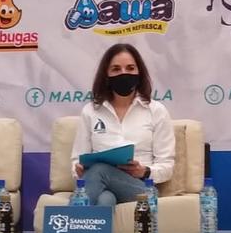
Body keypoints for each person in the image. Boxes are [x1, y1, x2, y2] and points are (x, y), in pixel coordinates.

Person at [72, 43, 176, 208]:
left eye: (130, 68)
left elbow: (167, 166)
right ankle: (84, 223)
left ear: (139, 72)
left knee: (100, 170)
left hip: (141, 188)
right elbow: (76, 159)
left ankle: (69, 220)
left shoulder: (156, 111)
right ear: (106, 75)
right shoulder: (90, 111)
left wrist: (144, 171)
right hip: (101, 186)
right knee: (105, 200)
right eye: (116, 69)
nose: (123, 73)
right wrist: (78, 169)